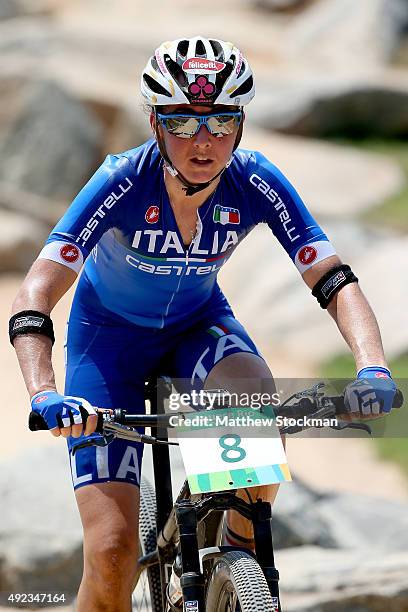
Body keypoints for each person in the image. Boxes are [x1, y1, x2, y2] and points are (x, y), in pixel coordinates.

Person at [10, 35, 396, 612]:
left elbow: (334, 279)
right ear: (154, 123)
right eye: (182, 123)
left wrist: (371, 365)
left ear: (240, 126)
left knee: (255, 403)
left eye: (220, 122)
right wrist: (44, 392)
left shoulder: (254, 180)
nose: (203, 140)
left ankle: (238, 569)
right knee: (113, 557)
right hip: (107, 344)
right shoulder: (120, 181)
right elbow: (38, 290)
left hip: (198, 327)